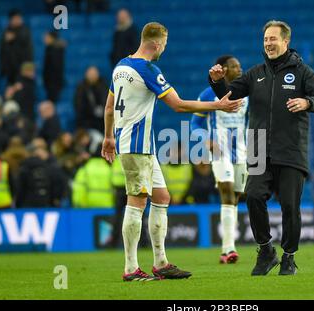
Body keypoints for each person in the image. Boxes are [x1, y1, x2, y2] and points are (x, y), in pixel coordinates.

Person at [101, 22, 243, 281]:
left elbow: (109, 107)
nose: (164, 49)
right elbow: (177, 106)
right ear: (156, 44)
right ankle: (131, 268)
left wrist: (109, 137)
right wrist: (218, 105)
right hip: (135, 145)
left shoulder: (120, 66)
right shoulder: (147, 69)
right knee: (137, 200)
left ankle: (161, 262)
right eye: (164, 44)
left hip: (139, 145)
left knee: (162, 197)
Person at [209, 20, 314, 276]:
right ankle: (266, 251)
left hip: (291, 150)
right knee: (253, 196)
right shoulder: (255, 74)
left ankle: (289, 257)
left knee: (289, 206)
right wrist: (217, 82)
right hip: (258, 149)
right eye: (265, 40)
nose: (268, 44)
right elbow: (228, 96)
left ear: (286, 41)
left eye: (273, 39)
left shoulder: (302, 72)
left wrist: (308, 102)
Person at [191, 55, 249, 264]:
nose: (239, 69)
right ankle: (229, 248)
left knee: (235, 198)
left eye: (240, 65)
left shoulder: (246, 94)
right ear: (224, 70)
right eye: (235, 66)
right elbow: (194, 124)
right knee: (226, 193)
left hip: (242, 152)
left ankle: (226, 251)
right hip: (219, 151)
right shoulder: (208, 94)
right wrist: (206, 140)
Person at [0, 9, 33, 85]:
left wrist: (29, 68)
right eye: (16, 18)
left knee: (23, 91)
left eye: (19, 18)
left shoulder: (25, 31)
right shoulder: (6, 32)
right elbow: (2, 51)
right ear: (10, 20)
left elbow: (29, 51)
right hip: (10, 69)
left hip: (23, 68)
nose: (18, 20)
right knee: (11, 93)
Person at [74, 66, 109, 136]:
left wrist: (102, 109)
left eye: (94, 74)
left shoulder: (103, 85)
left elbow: (107, 100)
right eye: (91, 75)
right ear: (86, 75)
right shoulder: (81, 87)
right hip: (86, 122)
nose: (93, 77)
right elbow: (78, 105)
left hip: (103, 121)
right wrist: (93, 111)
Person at [43, 30, 65, 102]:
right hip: (51, 83)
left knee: (52, 102)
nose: (44, 38)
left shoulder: (54, 51)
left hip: (53, 83)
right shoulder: (51, 49)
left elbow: (55, 68)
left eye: (46, 37)